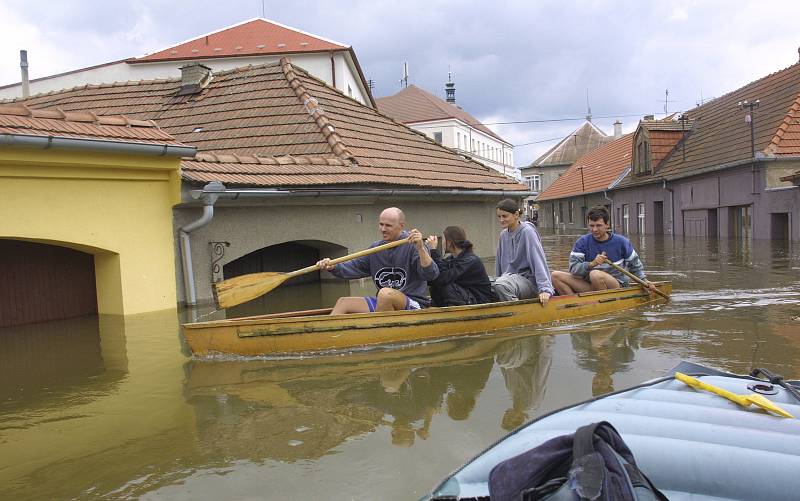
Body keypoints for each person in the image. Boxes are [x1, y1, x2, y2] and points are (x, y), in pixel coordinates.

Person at [317, 207, 438, 314]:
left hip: (413, 304)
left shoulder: (413, 245)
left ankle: (377, 333)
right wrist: (333, 266)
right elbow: (355, 267)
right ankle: (325, 338)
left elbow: (431, 274)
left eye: (388, 225)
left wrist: (421, 248)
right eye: (381, 224)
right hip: (383, 301)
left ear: (401, 226)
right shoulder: (376, 248)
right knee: (343, 302)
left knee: (385, 294)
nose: (383, 229)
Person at [551, 205, 657, 295]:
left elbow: (635, 267)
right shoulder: (582, 242)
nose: (594, 229)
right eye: (591, 226)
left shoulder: (621, 242)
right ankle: (575, 304)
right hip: (590, 286)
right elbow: (573, 269)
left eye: (599, 226)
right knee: (555, 276)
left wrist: (644, 282)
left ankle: (603, 304)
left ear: (607, 225)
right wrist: (592, 264)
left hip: (616, 286)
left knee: (595, 274)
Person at [493, 198, 554, 304]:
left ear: (516, 215)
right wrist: (497, 281)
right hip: (508, 280)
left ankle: (518, 314)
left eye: (505, 216)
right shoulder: (503, 235)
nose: (501, 220)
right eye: (499, 216)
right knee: (491, 284)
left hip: (528, 281)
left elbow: (538, 260)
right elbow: (499, 264)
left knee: (501, 285)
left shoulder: (527, 232)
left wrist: (545, 289)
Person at [426, 226, 492, 307]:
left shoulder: (470, 261)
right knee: (436, 286)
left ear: (449, 242)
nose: (442, 243)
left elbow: (442, 278)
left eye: (443, 240)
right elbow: (434, 277)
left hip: (479, 303)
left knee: (446, 286)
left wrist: (433, 251)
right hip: (466, 298)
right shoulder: (451, 259)